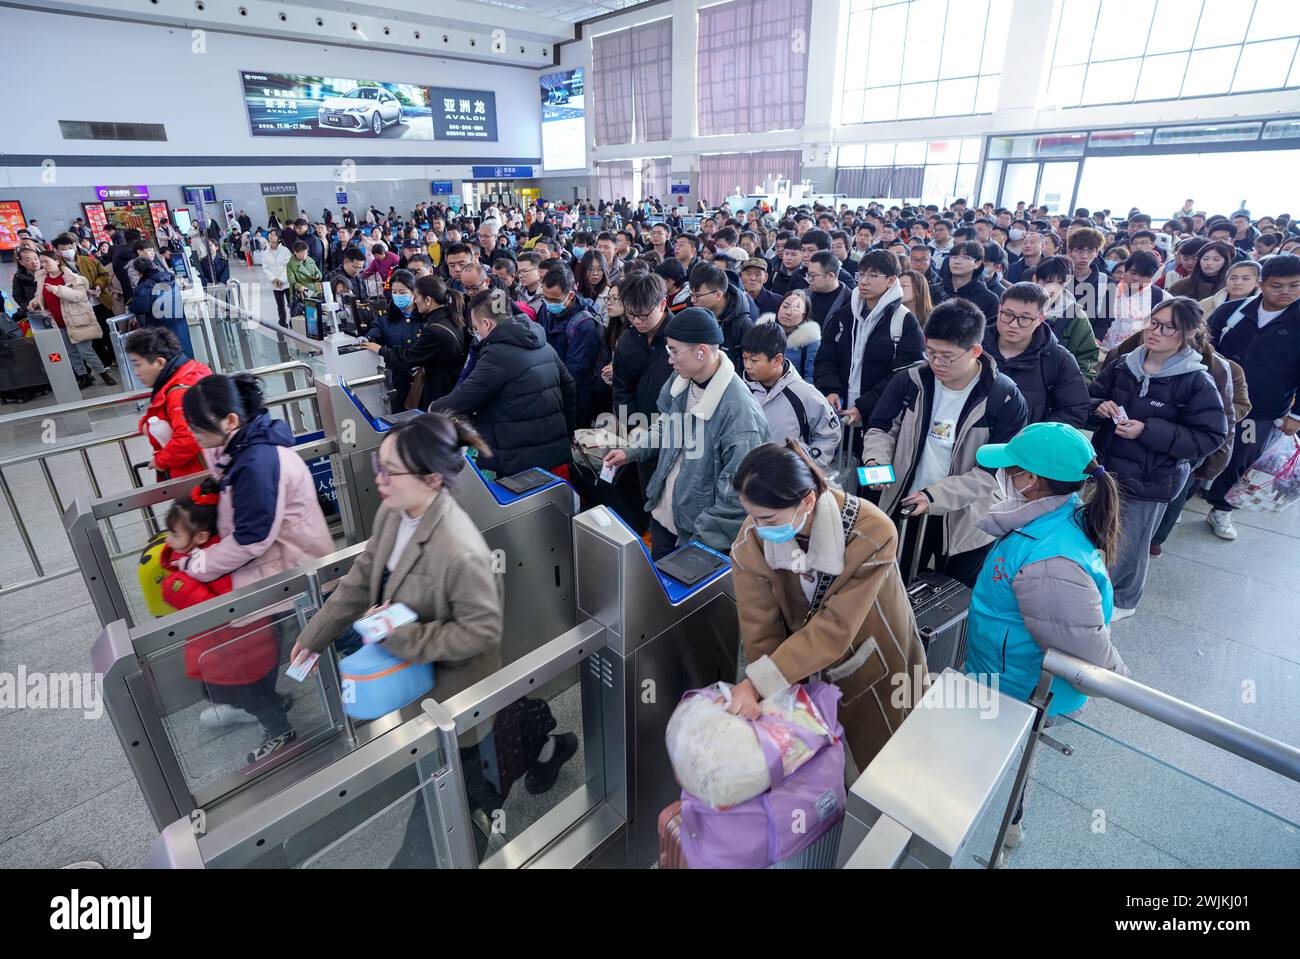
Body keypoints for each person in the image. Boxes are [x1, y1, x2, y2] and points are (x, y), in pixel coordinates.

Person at [964, 422, 1130, 855]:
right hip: (1003, 674)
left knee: (1007, 766)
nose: (1003, 477)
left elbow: (1084, 645)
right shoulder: (1055, 522)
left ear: (1031, 480)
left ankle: (1000, 831)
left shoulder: (1050, 561)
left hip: (1017, 689)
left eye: (1010, 469)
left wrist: (1121, 681)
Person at [725, 441, 927, 774]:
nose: (758, 528)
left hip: (872, 654)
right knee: (819, 767)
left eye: (768, 518)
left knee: (883, 758)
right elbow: (759, 626)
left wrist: (761, 681)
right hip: (801, 663)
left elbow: (836, 628)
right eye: (752, 516)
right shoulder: (752, 541)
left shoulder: (872, 532)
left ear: (806, 501)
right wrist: (769, 692)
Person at [176, 373, 334, 761]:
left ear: (230, 420)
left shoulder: (257, 460)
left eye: (198, 427)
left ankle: (290, 724)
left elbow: (253, 537)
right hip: (276, 571)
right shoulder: (243, 448)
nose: (194, 435)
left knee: (279, 653)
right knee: (292, 647)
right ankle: (284, 709)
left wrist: (199, 564)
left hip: (286, 573)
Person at [862, 298, 1029, 588]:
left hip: (967, 516)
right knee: (893, 584)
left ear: (975, 351)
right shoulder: (911, 380)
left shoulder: (1003, 397)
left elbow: (993, 473)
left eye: (947, 356)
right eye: (931, 353)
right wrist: (875, 461)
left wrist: (935, 496)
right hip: (904, 499)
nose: (937, 363)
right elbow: (880, 427)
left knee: (952, 596)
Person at [1087, 297, 1227, 618]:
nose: (1156, 332)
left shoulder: (1195, 380)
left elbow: (1211, 437)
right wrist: (1099, 407)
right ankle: (1093, 590)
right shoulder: (1124, 363)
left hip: (1151, 479)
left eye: (1168, 327)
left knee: (1130, 546)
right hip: (1105, 469)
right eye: (1153, 322)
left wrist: (1147, 431)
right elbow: (1091, 396)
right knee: (1098, 534)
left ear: (1188, 333)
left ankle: (1122, 602)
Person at [602, 307, 769, 559]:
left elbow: (737, 495)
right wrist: (632, 451)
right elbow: (665, 424)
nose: (669, 359)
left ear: (702, 352)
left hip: (698, 537)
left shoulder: (740, 415)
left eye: (674, 351)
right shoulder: (681, 381)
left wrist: (701, 539)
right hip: (665, 519)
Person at [430, 289, 576, 478]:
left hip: (518, 456)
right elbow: (569, 388)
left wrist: (436, 407)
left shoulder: (497, 354)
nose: (476, 333)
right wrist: (568, 432)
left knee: (522, 505)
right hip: (554, 452)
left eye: (475, 327)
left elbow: (467, 395)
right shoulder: (542, 343)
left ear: (486, 323)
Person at [1204, 254, 1300, 540]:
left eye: (1294, 286)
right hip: (1213, 398)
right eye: (1276, 286)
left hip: (1261, 410)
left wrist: (1296, 414)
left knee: (1240, 458)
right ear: (1261, 284)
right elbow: (1203, 346)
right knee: (1201, 447)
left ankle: (1221, 509)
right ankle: (1182, 498)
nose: (1285, 293)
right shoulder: (1232, 311)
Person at [816, 250, 926, 434]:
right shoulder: (844, 315)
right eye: (862, 274)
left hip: (882, 418)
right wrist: (831, 389)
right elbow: (826, 356)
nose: (864, 281)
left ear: (891, 280)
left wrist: (865, 406)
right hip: (839, 410)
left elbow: (904, 374)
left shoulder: (904, 321)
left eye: (873, 275)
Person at [982, 283, 1090, 427]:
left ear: (1041, 319)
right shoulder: (974, 347)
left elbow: (1074, 410)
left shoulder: (1058, 359)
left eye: (1025, 318)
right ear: (999, 310)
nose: (1014, 324)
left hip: (1024, 443)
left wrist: (1036, 437)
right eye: (1007, 315)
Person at [741, 323, 840, 467]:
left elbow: (829, 435)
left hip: (790, 484)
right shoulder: (739, 392)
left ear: (777, 360)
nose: (748, 365)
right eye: (744, 358)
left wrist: (808, 467)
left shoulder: (805, 394)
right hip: (746, 481)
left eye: (754, 360)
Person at [362, 275, 467, 411]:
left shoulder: (434, 329)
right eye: (394, 292)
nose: (415, 301)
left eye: (416, 296)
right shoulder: (450, 318)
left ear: (428, 300)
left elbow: (409, 356)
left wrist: (379, 349)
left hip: (438, 390)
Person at [126, 326, 213, 480]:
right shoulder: (192, 371)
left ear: (160, 362)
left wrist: (160, 461)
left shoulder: (179, 392)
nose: (136, 372)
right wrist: (144, 424)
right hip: (206, 469)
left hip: (195, 475)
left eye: (138, 364)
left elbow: (188, 438)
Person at [31, 249, 116, 388]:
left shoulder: (70, 277)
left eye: (46, 261)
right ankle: (84, 377)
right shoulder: (42, 278)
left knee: (86, 351)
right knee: (71, 353)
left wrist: (58, 290)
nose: (43, 265)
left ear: (57, 261)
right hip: (58, 322)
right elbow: (41, 295)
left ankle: (104, 374)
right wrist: (35, 301)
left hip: (76, 320)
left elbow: (79, 296)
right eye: (41, 262)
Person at [1031, 256, 1100, 382]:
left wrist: (1072, 388)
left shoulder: (1076, 316)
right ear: (1035, 279)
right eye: (1046, 283)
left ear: (1067, 283)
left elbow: (1086, 360)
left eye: (1059, 284)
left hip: (1058, 384)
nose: (1052, 289)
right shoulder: (1018, 306)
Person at [758, 289, 819, 381]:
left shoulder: (810, 340)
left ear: (803, 316)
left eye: (796, 309)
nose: (788, 312)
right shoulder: (762, 331)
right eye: (785, 306)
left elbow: (810, 376)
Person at [937, 240, 1000, 321]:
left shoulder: (989, 299)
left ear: (977, 264)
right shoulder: (933, 291)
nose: (957, 261)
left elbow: (990, 331)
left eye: (966, 258)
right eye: (954, 257)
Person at [261, 229, 292, 326]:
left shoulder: (285, 251)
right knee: (280, 306)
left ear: (279, 238)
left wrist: (281, 279)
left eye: (274, 235)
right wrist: (273, 279)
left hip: (286, 283)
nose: (271, 236)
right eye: (270, 234)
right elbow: (265, 268)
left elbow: (288, 266)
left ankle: (293, 322)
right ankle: (282, 323)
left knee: (291, 304)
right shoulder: (265, 253)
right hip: (275, 284)